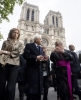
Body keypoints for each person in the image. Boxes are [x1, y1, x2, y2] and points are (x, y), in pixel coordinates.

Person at [0, 28, 23, 100]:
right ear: (11, 33)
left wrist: (5, 52)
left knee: (10, 87)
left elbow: (17, 53)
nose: (16, 34)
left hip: (14, 65)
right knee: (1, 85)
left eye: (17, 33)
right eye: (14, 32)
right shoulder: (5, 42)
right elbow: (1, 53)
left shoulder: (20, 44)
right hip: (4, 64)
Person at [23, 34, 44, 100]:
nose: (41, 40)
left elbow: (41, 57)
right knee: (31, 92)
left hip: (39, 71)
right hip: (31, 71)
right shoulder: (29, 45)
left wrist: (44, 59)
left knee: (38, 91)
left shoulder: (41, 48)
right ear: (36, 40)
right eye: (40, 39)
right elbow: (25, 55)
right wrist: (35, 57)